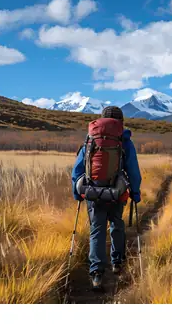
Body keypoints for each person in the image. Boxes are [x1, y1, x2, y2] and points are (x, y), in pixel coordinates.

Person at [71, 106, 142, 290]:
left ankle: (96, 273)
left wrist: (76, 191)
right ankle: (117, 262)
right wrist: (135, 192)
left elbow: (78, 169)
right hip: (116, 193)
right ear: (121, 122)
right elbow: (133, 170)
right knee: (116, 225)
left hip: (93, 193)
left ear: (100, 120)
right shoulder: (124, 140)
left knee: (97, 230)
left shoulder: (90, 139)